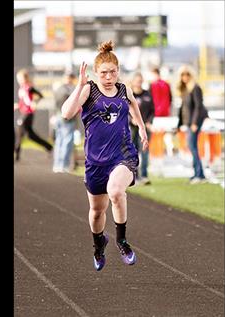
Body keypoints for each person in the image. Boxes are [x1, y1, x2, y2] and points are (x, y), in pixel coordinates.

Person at [61, 40, 149, 271]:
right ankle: (98, 243)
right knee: (97, 210)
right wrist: (79, 86)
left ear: (118, 71)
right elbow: (66, 113)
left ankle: (121, 241)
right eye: (103, 73)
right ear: (95, 72)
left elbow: (133, 106)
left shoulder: (124, 89)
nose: (108, 77)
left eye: (112, 72)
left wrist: (141, 127)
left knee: (116, 191)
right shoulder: (89, 90)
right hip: (95, 161)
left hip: (122, 154)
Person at [176, 65, 209, 184]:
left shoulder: (195, 88)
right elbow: (182, 108)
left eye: (187, 74)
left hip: (195, 122)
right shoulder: (185, 89)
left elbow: (198, 106)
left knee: (192, 147)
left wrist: (194, 123)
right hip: (188, 122)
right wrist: (179, 124)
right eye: (182, 75)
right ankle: (198, 174)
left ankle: (199, 175)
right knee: (192, 147)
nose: (185, 77)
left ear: (191, 75)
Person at [14, 69, 53, 161]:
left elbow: (40, 95)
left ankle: (17, 155)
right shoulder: (21, 88)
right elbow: (24, 101)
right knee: (31, 135)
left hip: (28, 114)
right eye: (18, 78)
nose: (19, 80)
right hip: (23, 112)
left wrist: (35, 102)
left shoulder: (29, 87)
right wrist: (18, 105)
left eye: (20, 78)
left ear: (25, 78)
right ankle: (49, 147)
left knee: (19, 131)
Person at [129, 72, 154, 185]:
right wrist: (131, 120)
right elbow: (125, 110)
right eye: (137, 80)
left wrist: (149, 121)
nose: (139, 83)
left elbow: (152, 111)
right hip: (133, 128)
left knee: (145, 151)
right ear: (133, 81)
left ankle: (144, 175)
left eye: (140, 80)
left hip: (145, 128)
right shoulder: (129, 94)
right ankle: (135, 175)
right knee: (133, 151)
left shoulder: (147, 94)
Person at [53, 72, 77, 173]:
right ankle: (64, 165)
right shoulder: (71, 89)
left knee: (59, 141)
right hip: (67, 117)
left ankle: (57, 165)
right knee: (67, 141)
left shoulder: (58, 88)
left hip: (58, 116)